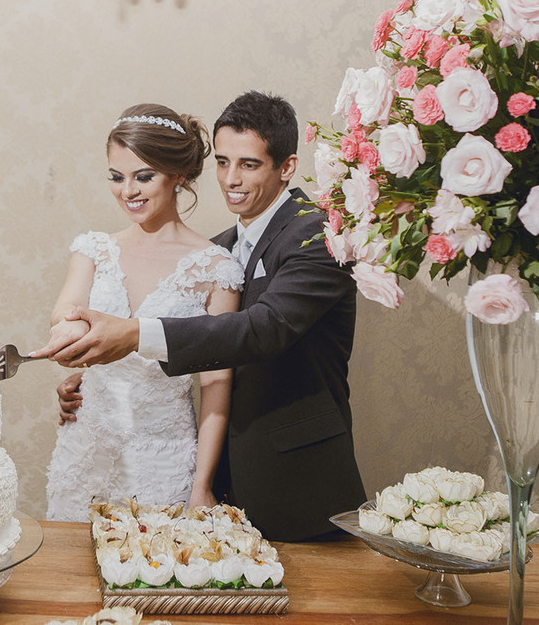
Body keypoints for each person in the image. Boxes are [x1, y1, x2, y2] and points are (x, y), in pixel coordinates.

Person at [36, 92, 366, 541]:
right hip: (202, 462)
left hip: (293, 470)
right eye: (223, 162)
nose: (231, 179)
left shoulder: (319, 233)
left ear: (286, 167)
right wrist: (88, 371)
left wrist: (131, 336)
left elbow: (262, 329)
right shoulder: (222, 247)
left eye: (248, 164)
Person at [43, 103, 244, 522]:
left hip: (162, 458)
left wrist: (202, 485)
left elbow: (215, 386)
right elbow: (65, 310)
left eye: (143, 176)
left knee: (154, 582)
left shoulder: (216, 268)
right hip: (86, 452)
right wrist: (69, 341)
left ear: (179, 176)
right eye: (116, 177)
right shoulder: (94, 250)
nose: (127, 191)